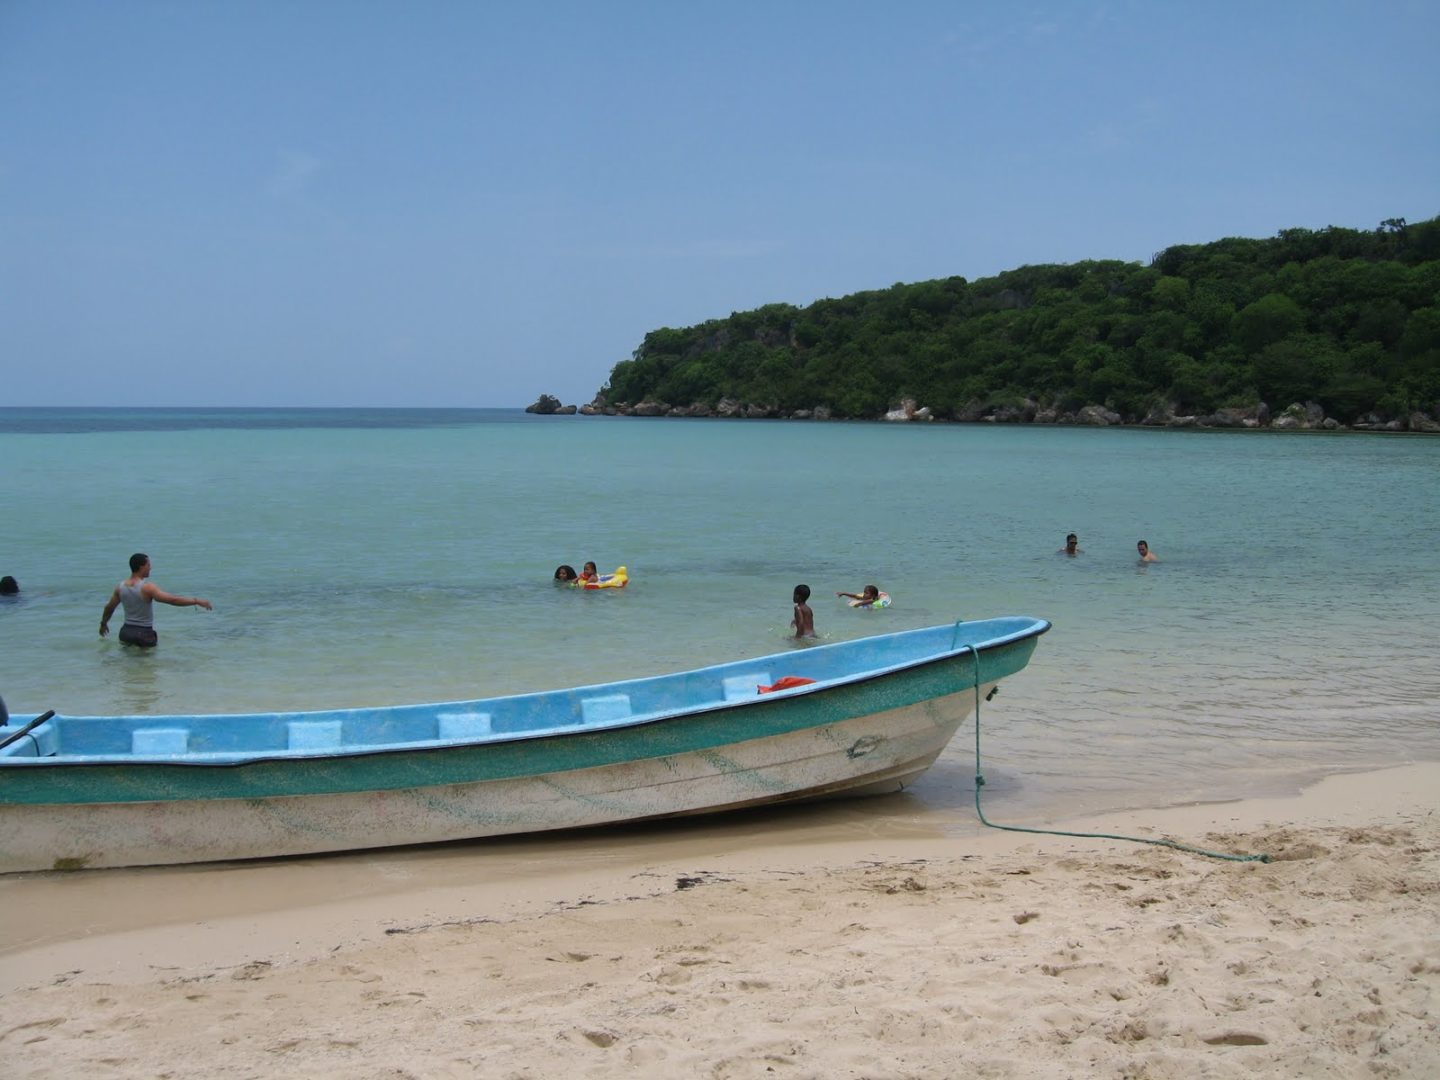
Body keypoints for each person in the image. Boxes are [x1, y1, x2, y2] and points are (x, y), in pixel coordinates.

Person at [100, 553, 212, 648]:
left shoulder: (120, 587)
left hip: (126, 633)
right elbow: (173, 600)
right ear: (141, 567)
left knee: (129, 664)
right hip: (143, 634)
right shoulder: (147, 587)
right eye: (148, 565)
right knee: (146, 666)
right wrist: (196, 601)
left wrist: (103, 624)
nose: (150, 568)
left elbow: (109, 607)